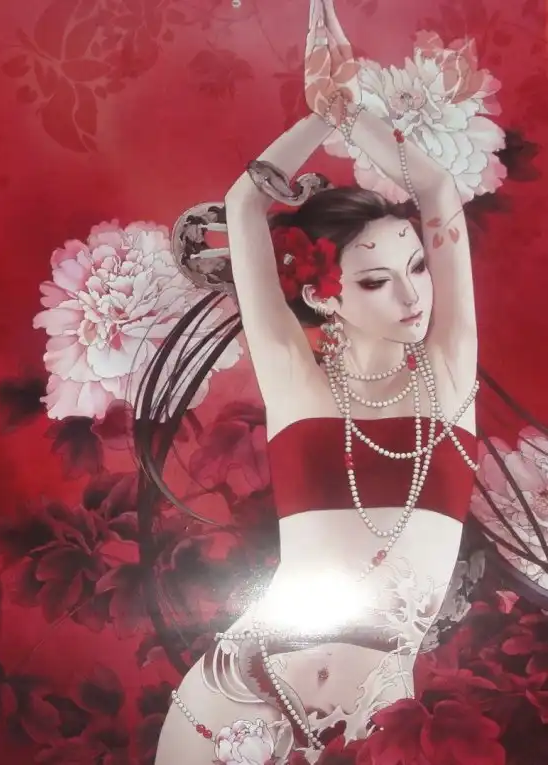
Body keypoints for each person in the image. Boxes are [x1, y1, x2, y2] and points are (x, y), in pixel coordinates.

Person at [133, 1, 528, 762]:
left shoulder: (448, 376)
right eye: (376, 280)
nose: (412, 296)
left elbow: (438, 194)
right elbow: (246, 203)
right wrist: (318, 116)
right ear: (323, 295)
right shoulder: (297, 380)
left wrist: (355, 110)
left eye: (417, 267)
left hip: (373, 722)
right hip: (236, 698)